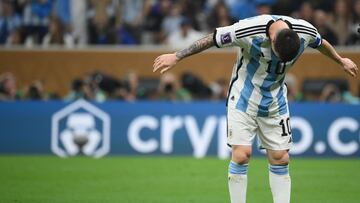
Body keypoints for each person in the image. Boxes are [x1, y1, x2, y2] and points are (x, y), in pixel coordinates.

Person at [153, 14, 358, 203]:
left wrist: (340, 60)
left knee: (280, 158)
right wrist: (177, 56)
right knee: (241, 154)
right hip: (243, 98)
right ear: (273, 41)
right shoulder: (247, 30)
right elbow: (211, 38)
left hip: (275, 100)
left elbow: (321, 43)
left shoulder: (305, 31)